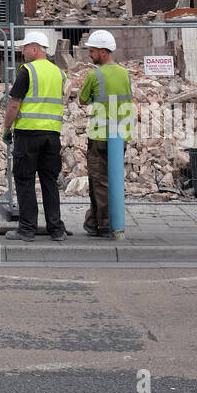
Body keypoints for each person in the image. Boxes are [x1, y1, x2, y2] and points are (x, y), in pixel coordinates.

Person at [3, 30, 67, 242]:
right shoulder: (59, 73)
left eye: (24, 48)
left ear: (34, 48)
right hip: (52, 135)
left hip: (28, 134)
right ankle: (56, 229)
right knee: (49, 181)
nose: (22, 52)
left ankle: (27, 229)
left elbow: (14, 104)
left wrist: (6, 129)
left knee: (24, 180)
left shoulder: (27, 71)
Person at [77, 29, 135, 237]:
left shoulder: (95, 74)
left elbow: (82, 100)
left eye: (92, 51)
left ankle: (103, 223)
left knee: (99, 180)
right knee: (114, 178)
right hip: (121, 135)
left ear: (103, 52)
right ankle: (96, 220)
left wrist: (93, 99)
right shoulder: (124, 73)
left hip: (100, 135)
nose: (89, 55)